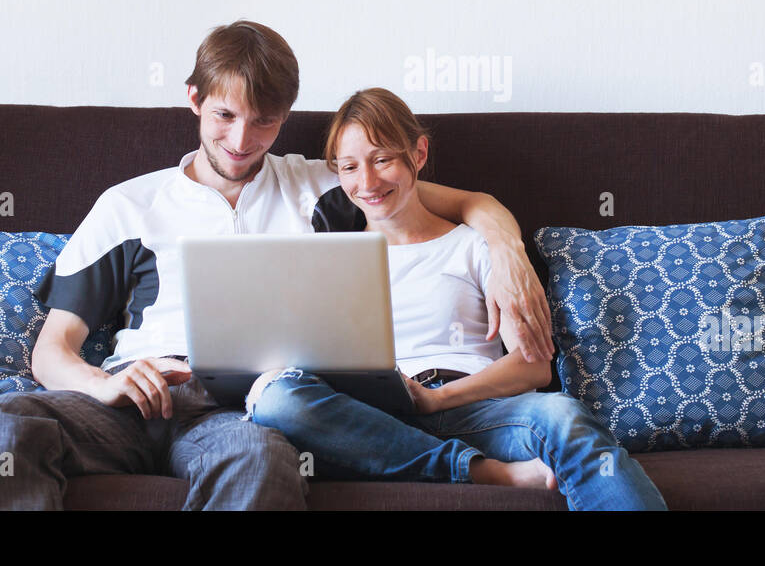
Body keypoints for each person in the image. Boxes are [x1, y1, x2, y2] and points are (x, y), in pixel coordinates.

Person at [0, 21, 554, 510]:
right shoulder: (129, 204)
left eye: (265, 121)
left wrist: (505, 248)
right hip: (129, 403)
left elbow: (461, 202)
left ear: (286, 115)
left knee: (265, 462)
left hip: (237, 416)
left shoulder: (326, 185)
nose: (242, 140)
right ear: (194, 100)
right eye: (224, 116)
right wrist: (103, 385)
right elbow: (52, 349)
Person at [246, 87, 668, 511]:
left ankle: (431, 458)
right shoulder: (331, 258)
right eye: (350, 167)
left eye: (382, 160)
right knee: (277, 399)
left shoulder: (474, 246)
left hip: (474, 411)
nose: (367, 183)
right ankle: (479, 471)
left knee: (563, 417)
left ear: (419, 154)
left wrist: (438, 399)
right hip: (371, 419)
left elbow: (534, 366)